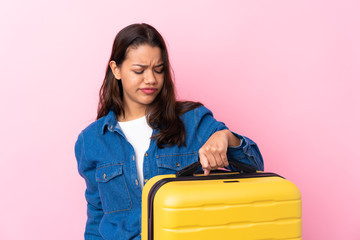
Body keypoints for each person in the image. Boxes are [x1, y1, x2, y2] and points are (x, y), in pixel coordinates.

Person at [75, 23, 264, 240]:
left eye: (159, 69)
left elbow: (255, 165)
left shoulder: (192, 121)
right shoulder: (90, 141)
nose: (151, 79)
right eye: (139, 70)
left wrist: (226, 137)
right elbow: (97, 217)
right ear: (116, 69)